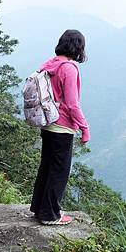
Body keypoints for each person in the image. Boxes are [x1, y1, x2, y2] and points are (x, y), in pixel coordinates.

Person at [30, 30, 90, 226]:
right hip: (62, 125)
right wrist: (84, 127)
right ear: (78, 47)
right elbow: (72, 103)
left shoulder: (50, 64)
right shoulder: (69, 68)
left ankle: (39, 208)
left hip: (47, 122)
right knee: (59, 171)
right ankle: (49, 214)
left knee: (47, 166)